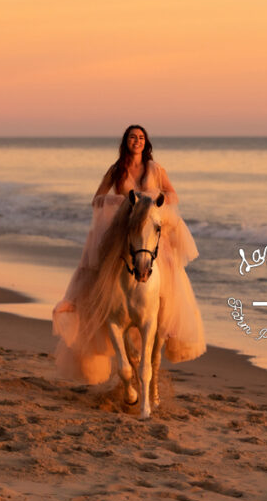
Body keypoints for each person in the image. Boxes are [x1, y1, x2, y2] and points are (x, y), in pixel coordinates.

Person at [53, 125, 206, 384]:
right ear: (126, 142)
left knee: (168, 265)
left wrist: (151, 198)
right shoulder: (117, 170)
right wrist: (122, 203)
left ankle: (167, 324)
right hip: (124, 229)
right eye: (133, 137)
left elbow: (172, 194)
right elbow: (97, 198)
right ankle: (81, 302)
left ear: (146, 143)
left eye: (141, 137)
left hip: (148, 228)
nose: (137, 141)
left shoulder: (155, 169)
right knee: (98, 263)